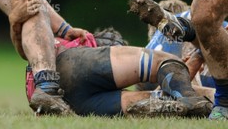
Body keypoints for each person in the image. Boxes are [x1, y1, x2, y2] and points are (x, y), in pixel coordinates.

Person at [34, 26, 213, 117]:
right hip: (70, 64)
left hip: (68, 103)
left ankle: (203, 104)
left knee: (160, 100)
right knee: (168, 62)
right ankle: (192, 100)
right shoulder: (77, 44)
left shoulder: (38, 47)